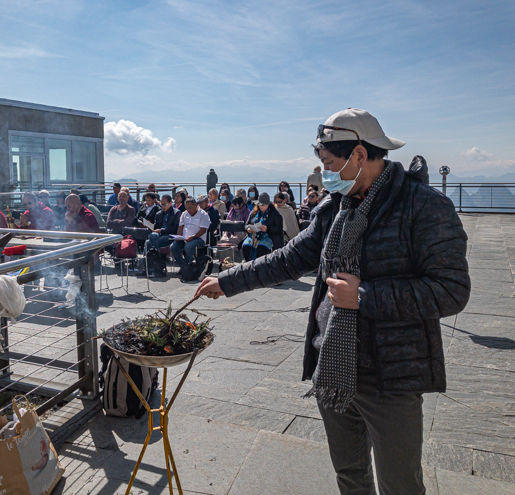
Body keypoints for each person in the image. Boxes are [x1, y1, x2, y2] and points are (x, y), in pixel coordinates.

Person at [195, 108, 471, 495]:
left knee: (400, 485)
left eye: (328, 163)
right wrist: (226, 281)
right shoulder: (335, 209)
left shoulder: (424, 207)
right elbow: (290, 258)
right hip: (334, 368)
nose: (323, 173)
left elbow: (451, 289)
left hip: (390, 379)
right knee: (349, 475)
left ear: (359, 155)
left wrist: (362, 297)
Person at [170, 197, 210, 272]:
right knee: (173, 247)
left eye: (190, 208)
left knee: (188, 246)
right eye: (187, 208)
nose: (188, 210)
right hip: (184, 238)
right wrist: (178, 236)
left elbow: (203, 230)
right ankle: (184, 266)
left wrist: (193, 236)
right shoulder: (184, 214)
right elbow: (180, 227)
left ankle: (187, 265)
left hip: (198, 239)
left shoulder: (203, 214)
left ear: (195, 205)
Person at [241, 192, 283, 261]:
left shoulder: (275, 214)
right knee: (246, 247)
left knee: (261, 249)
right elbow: (246, 225)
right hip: (253, 236)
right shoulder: (254, 212)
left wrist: (267, 229)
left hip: (268, 237)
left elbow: (279, 228)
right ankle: (249, 266)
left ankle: (261, 267)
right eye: (259, 205)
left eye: (263, 205)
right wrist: (248, 229)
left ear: (268, 204)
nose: (261, 207)